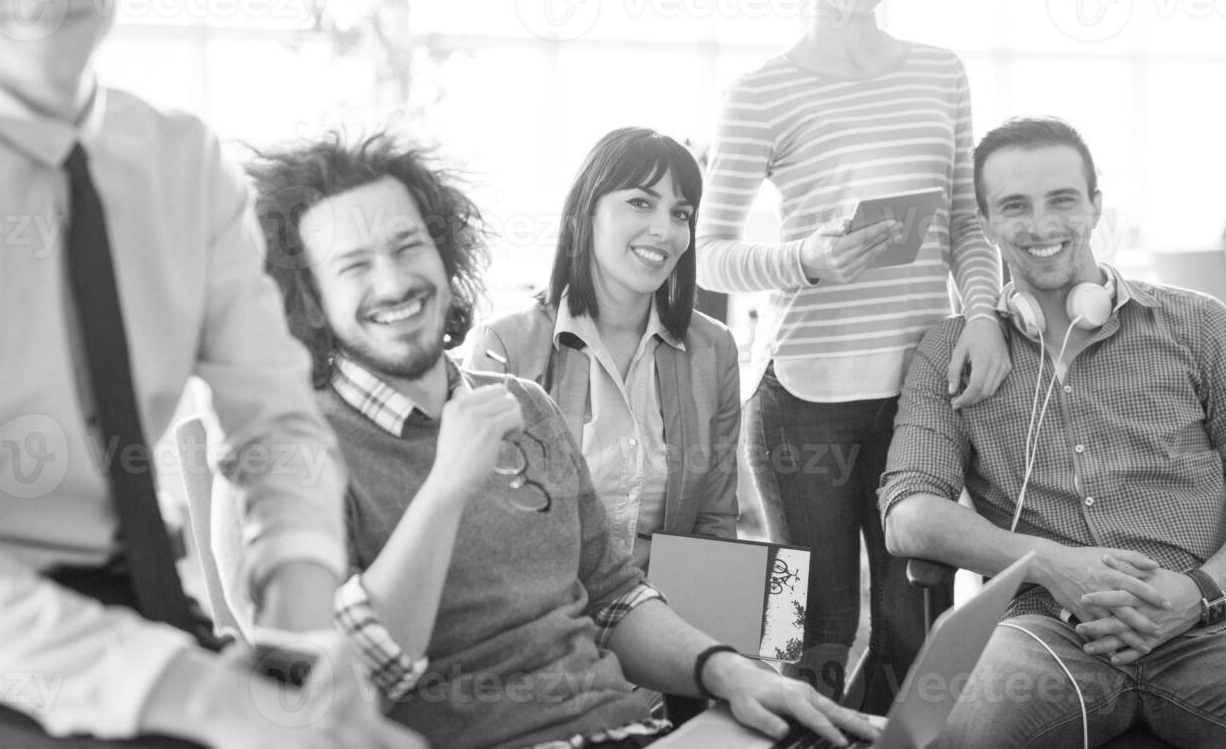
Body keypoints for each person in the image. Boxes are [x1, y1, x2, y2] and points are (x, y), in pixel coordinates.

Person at [0, 0, 417, 748]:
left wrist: (298, 639)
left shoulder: (182, 165)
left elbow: (275, 422)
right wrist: (218, 701)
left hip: (144, 616)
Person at [228, 130, 882, 749]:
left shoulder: (667, 359)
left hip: (647, 660)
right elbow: (323, 693)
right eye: (352, 265)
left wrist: (728, 671)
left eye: (408, 246)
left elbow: (619, 584)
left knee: (816, 635)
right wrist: (448, 485)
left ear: (443, 252)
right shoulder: (299, 447)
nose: (395, 282)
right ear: (309, 296)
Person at [879, 116, 1226, 747]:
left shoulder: (1201, 326)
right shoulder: (952, 353)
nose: (1042, 226)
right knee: (943, 732)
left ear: (1095, 207)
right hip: (1045, 632)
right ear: (987, 222)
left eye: (1062, 200)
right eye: (1015, 206)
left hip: (1217, 625)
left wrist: (1196, 592)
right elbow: (908, 513)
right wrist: (1052, 565)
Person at [696, 0, 1009, 708]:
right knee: (809, 635)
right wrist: (809, 260)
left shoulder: (940, 74)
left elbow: (962, 220)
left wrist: (982, 313)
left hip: (922, 393)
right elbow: (709, 250)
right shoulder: (761, 92)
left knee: (921, 632)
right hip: (802, 407)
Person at [466, 127, 740, 571]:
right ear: (586, 212)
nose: (664, 230)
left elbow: (715, 524)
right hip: (550, 603)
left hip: (667, 603)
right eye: (641, 202)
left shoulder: (714, 349)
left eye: (681, 213)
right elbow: (490, 527)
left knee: (789, 626)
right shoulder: (505, 346)